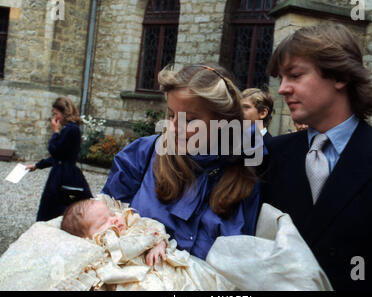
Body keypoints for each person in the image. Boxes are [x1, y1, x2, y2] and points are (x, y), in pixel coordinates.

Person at [263, 22, 372, 291]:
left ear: (340, 76)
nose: (282, 88)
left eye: (295, 75)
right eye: (280, 78)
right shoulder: (270, 153)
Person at [101, 64, 262, 260]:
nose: (174, 127)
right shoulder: (142, 155)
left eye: (190, 120)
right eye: (171, 115)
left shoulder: (244, 177)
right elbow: (100, 226)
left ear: (223, 121)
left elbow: (242, 265)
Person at [60, 196, 235, 291]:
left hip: (167, 265)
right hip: (137, 280)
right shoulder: (105, 245)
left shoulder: (132, 222)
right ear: (89, 237)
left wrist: (160, 243)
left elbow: (154, 226)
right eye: (103, 222)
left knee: (198, 280)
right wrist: (149, 239)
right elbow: (125, 250)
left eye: (112, 214)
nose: (114, 221)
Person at [26, 97, 92, 221]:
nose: (55, 118)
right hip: (63, 172)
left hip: (64, 175)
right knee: (56, 208)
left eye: (56, 114)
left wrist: (55, 132)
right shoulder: (71, 129)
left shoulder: (70, 130)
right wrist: (37, 165)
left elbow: (55, 151)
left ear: (64, 113)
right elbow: (59, 156)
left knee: (56, 209)